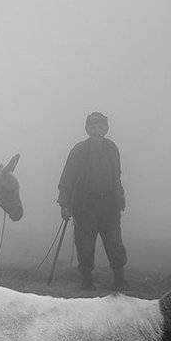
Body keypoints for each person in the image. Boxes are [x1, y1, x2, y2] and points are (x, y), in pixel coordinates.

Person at [57, 111, 127, 291]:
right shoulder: (79, 150)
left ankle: (119, 279)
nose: (97, 130)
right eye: (93, 127)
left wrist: (120, 197)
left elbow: (116, 176)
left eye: (101, 127)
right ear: (87, 129)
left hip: (109, 205)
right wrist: (64, 204)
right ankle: (86, 279)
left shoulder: (112, 148)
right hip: (84, 205)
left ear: (107, 129)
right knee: (85, 243)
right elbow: (67, 178)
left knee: (114, 241)